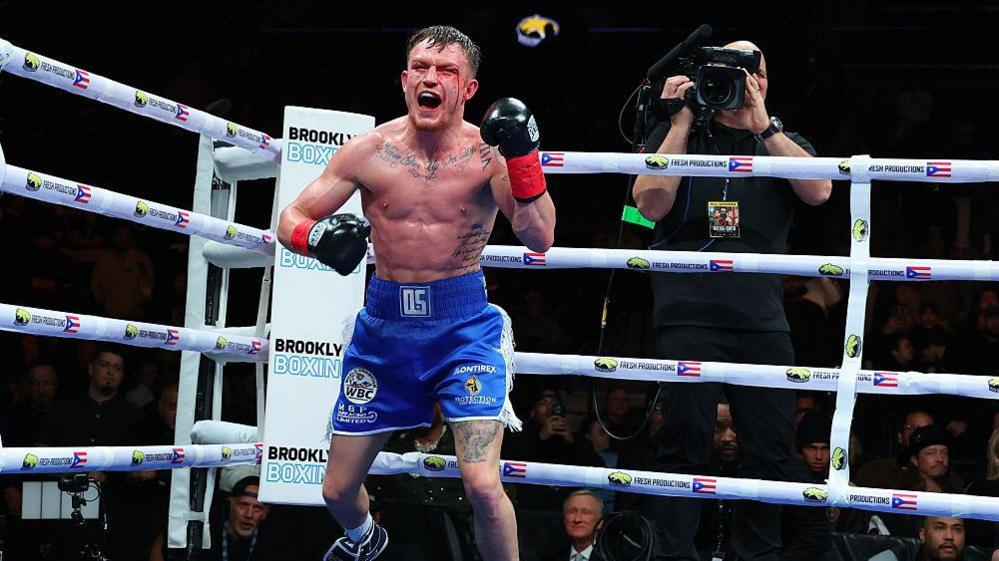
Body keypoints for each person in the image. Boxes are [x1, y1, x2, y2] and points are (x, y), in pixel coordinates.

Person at [276, 25, 556, 561]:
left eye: (447, 70)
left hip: (464, 330)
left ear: (468, 88)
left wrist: (524, 157)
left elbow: (540, 236)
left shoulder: (488, 155)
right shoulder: (367, 151)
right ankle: (366, 540)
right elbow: (291, 217)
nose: (432, 78)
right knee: (336, 490)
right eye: (422, 68)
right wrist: (313, 238)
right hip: (384, 328)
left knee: (481, 484)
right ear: (405, 81)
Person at [632, 40, 832, 561]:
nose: (742, 82)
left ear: (765, 81)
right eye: (728, 72)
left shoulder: (780, 139)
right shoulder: (681, 132)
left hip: (761, 319)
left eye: (753, 72)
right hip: (688, 312)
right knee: (683, 440)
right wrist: (677, 122)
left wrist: (763, 126)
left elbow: (821, 192)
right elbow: (649, 204)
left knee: (769, 448)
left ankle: (756, 556)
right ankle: (673, 555)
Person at [543, 490, 605, 561]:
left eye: (585, 512)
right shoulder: (549, 558)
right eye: (571, 512)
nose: (577, 519)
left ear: (600, 522)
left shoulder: (612, 557)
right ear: (565, 520)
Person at [796, 410, 832, 481]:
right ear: (801, 450)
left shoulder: (845, 486)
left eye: (825, 449)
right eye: (812, 448)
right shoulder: (788, 484)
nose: (819, 456)